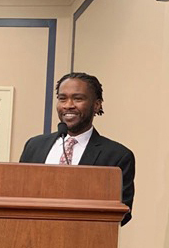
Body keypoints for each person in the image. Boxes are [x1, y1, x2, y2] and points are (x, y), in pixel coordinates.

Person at [19, 72, 135, 226]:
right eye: (62, 98)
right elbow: (19, 195)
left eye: (78, 98)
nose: (68, 105)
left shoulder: (117, 156)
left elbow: (123, 212)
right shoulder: (34, 146)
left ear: (97, 105)